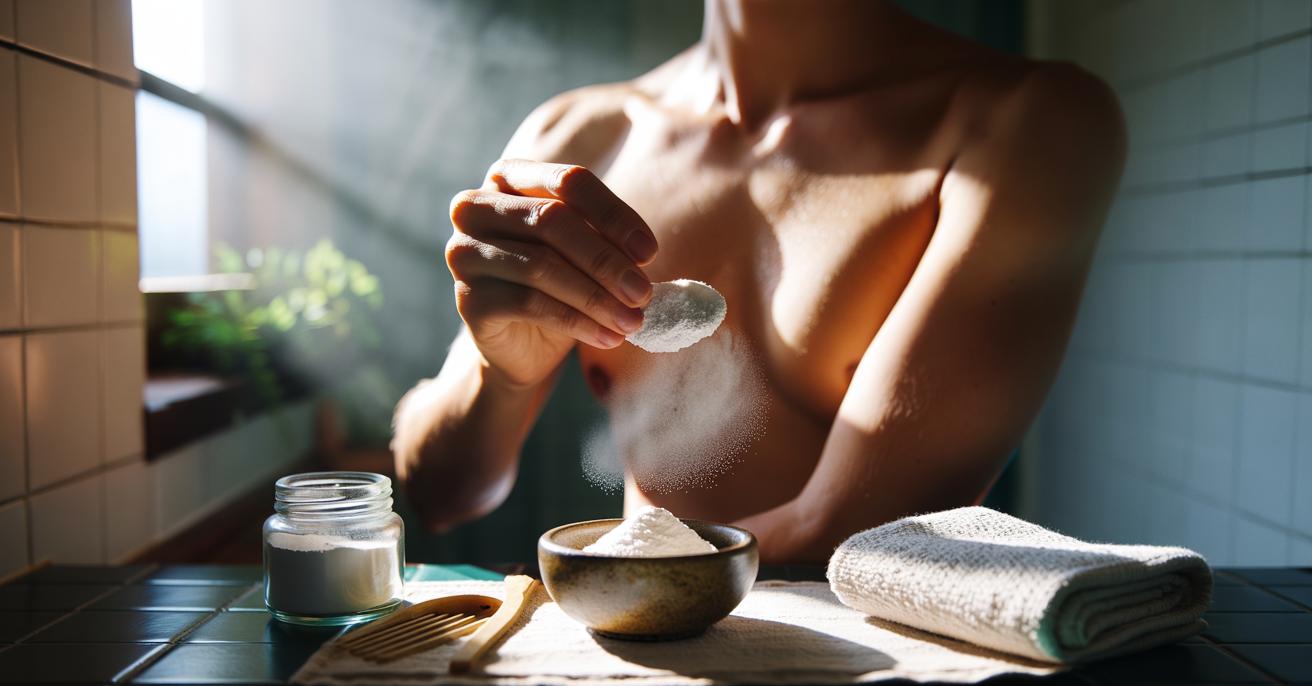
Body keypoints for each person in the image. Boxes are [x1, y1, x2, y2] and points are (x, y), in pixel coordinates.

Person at [391, 0, 1125, 563]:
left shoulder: (1027, 124)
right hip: (645, 668)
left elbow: (849, 536)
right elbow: (441, 492)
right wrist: (499, 375)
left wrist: (592, 583)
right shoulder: (578, 139)